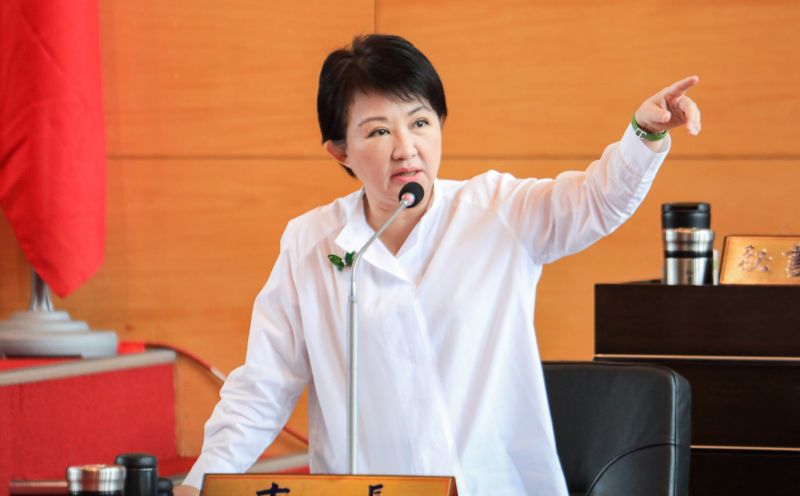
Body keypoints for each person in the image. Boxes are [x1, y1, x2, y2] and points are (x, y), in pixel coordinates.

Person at [175, 34, 701, 496]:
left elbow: (596, 201)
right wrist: (201, 481)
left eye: (421, 122)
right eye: (378, 132)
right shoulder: (310, 243)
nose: (406, 149)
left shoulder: (498, 210)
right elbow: (263, 387)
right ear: (340, 151)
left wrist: (644, 133)